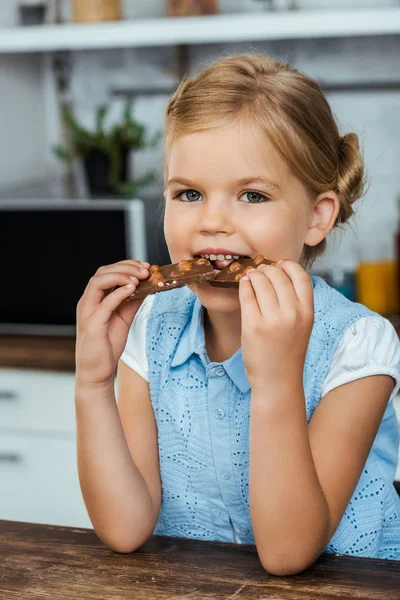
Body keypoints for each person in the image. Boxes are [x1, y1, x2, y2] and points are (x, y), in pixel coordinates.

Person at [74, 53, 400, 575]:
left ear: (317, 216)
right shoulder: (150, 326)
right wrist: (93, 383)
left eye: (252, 194)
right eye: (189, 193)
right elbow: (125, 528)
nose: (212, 221)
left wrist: (275, 381)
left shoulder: (358, 345)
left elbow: (289, 554)